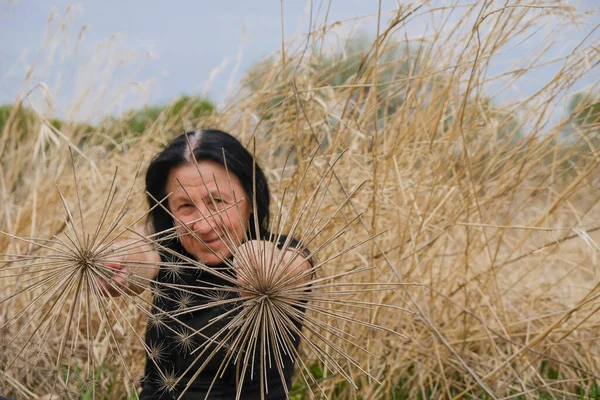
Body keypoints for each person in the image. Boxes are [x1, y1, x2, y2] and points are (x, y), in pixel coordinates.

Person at [103, 129, 312, 399]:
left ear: (251, 197)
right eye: (185, 206)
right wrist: (117, 264)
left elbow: (290, 270)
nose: (203, 225)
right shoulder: (168, 249)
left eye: (217, 202)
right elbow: (139, 253)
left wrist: (264, 270)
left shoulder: (289, 252)